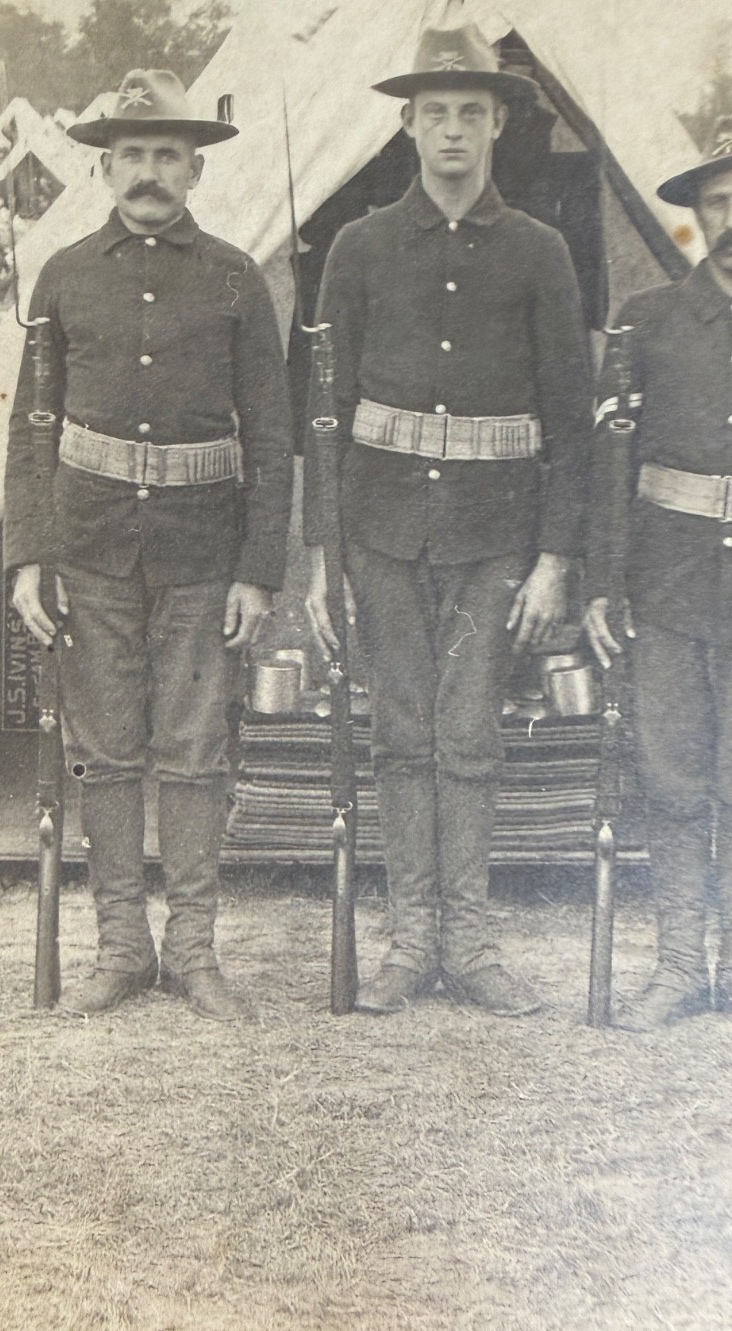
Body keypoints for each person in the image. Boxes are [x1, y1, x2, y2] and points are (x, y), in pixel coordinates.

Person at [304, 24, 592, 1016]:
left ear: (500, 123)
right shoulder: (360, 246)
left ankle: (470, 944)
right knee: (397, 733)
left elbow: (571, 420)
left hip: (494, 537)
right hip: (380, 530)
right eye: (437, 114)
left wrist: (557, 555)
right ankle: (407, 940)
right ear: (409, 125)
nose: (455, 131)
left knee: (468, 733)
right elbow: (323, 414)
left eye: (473, 111)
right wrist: (321, 556)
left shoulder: (541, 252)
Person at [4, 69, 294, 1020]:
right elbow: (32, 427)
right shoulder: (64, 277)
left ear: (196, 170)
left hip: (202, 555)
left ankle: (195, 951)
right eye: (132, 155)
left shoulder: (234, 279)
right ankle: (122, 947)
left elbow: (274, 433)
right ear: (104, 168)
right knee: (107, 749)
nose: (149, 173)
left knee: (196, 749)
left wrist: (259, 568)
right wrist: (28, 555)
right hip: (90, 546)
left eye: (168, 155)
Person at [584, 120, 732, 1029]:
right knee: (673, 778)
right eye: (723, 201)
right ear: (698, 216)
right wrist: (604, 581)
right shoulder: (648, 319)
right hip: (672, 581)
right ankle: (680, 964)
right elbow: (611, 461)